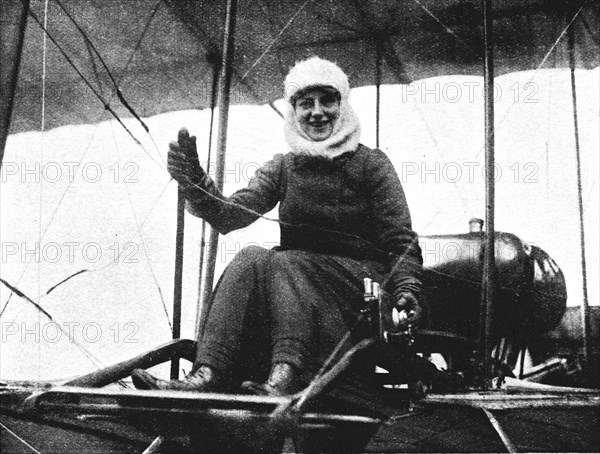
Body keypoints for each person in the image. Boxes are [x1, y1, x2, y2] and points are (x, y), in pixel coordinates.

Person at [132, 57, 423, 401]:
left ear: (342, 105)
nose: (317, 112)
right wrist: (194, 183)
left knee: (286, 260)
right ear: (294, 112)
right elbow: (230, 215)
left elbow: (401, 241)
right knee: (252, 256)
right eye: (305, 103)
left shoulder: (371, 164)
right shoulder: (284, 167)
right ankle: (208, 371)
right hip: (297, 288)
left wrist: (408, 288)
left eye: (327, 100)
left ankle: (288, 373)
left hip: (359, 291)